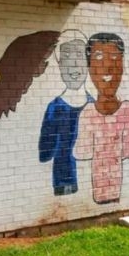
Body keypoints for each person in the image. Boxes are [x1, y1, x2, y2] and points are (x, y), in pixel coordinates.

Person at [73, 33, 129, 204]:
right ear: (89, 69)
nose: (108, 65)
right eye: (99, 57)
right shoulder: (88, 113)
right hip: (99, 190)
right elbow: (82, 152)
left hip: (115, 188)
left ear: (122, 66)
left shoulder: (128, 110)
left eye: (114, 57)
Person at [39, 30, 92, 195]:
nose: (74, 64)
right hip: (62, 183)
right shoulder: (54, 108)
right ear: (60, 64)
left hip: (93, 181)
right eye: (67, 56)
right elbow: (45, 153)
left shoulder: (95, 107)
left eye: (79, 55)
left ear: (87, 63)